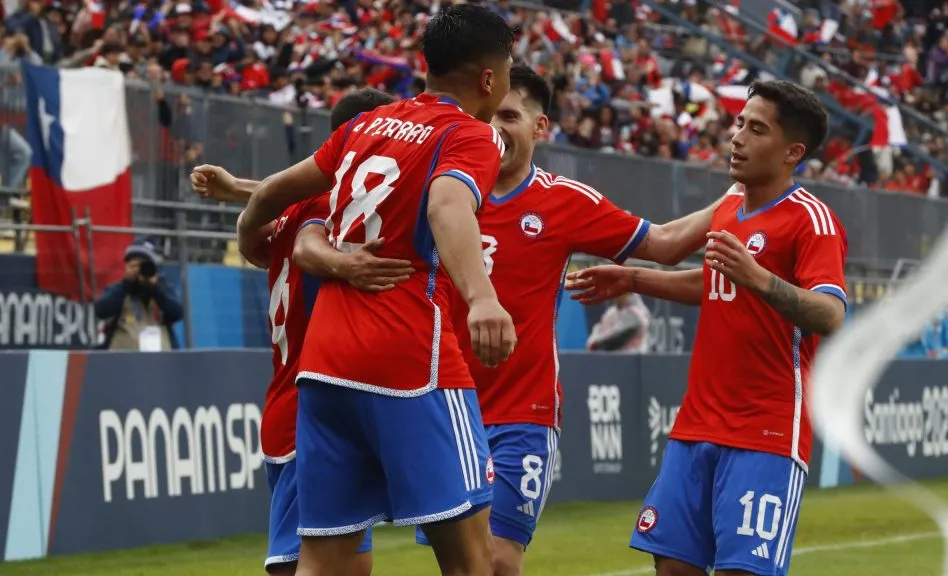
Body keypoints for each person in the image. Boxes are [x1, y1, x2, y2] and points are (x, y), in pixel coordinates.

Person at [236, 5, 518, 575]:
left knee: (325, 562)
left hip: (326, 370)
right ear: (490, 78)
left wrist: (248, 235)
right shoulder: (470, 134)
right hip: (412, 364)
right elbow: (446, 203)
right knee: (471, 560)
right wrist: (484, 297)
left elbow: (273, 191)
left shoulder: (363, 126)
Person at [415, 64, 723, 576]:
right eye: (489, 114)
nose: (495, 127)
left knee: (496, 560)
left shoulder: (563, 201)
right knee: (459, 564)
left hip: (521, 413)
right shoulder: (436, 193)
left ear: (539, 129)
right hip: (442, 410)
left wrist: (741, 195)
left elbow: (665, 244)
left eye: (510, 116)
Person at [567, 80, 847, 576]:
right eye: (739, 123)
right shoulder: (728, 207)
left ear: (792, 152)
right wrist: (632, 277)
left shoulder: (812, 220)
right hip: (696, 423)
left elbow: (830, 313)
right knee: (673, 566)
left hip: (766, 428)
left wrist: (758, 277)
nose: (736, 137)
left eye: (756, 129)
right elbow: (715, 281)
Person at [190, 88, 406, 575]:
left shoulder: (310, 206)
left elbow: (271, 216)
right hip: (304, 409)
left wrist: (239, 197)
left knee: (353, 566)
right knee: (300, 566)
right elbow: (309, 238)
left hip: (331, 404)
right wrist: (349, 266)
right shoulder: (333, 212)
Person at [93, 236, 184, 351]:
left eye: (144, 265)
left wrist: (155, 288)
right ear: (127, 267)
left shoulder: (162, 289)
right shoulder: (118, 289)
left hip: (161, 362)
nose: (140, 270)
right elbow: (101, 310)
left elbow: (178, 312)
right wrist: (127, 284)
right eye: (134, 265)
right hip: (122, 362)